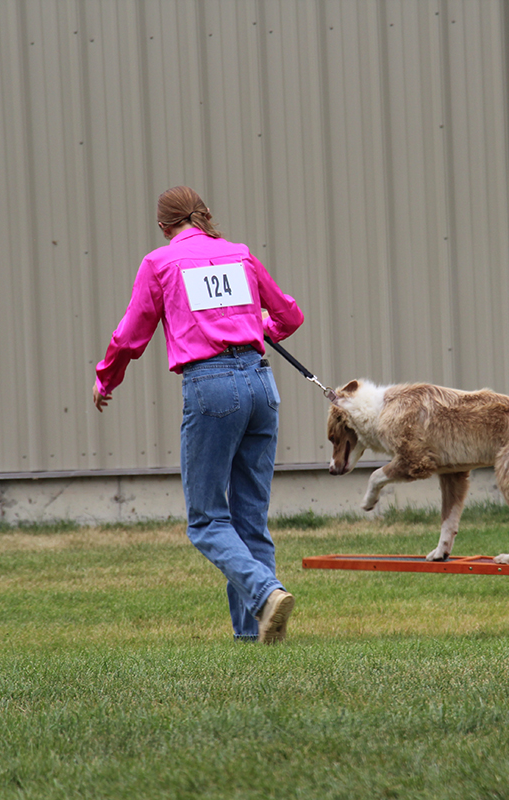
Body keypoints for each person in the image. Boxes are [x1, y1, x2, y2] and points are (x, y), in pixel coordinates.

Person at [93, 186, 304, 644]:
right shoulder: (240, 255)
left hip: (211, 388)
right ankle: (257, 635)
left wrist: (105, 379)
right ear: (203, 216)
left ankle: (266, 593)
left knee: (207, 520)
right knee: (250, 517)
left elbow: (131, 335)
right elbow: (289, 316)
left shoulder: (160, 263)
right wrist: (255, 328)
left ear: (164, 227)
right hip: (261, 384)